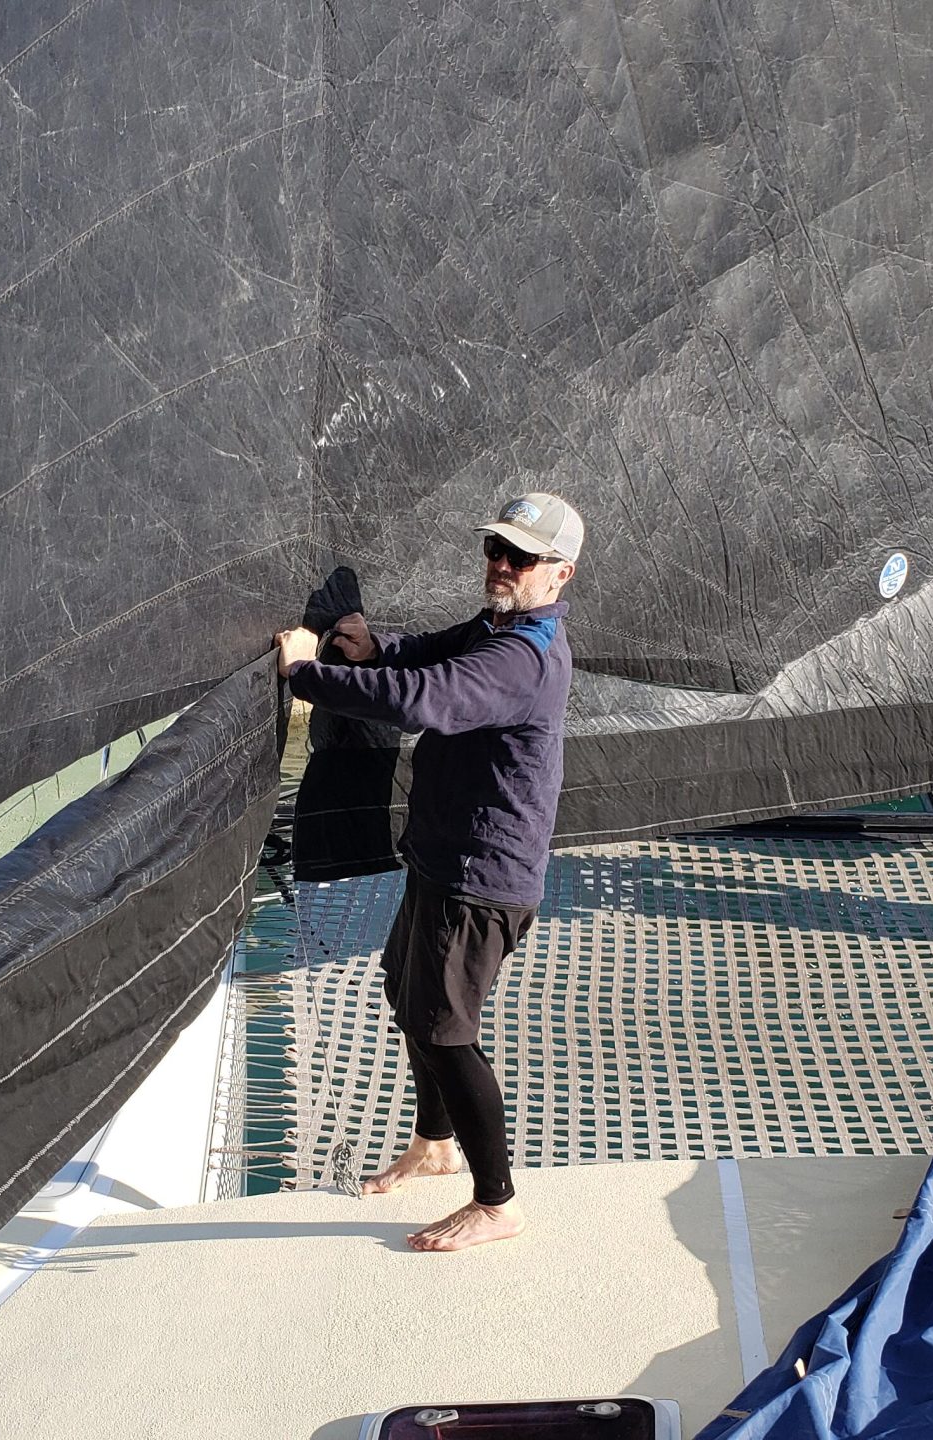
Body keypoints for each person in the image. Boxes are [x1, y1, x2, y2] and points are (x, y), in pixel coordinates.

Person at [271, 492, 582, 1251]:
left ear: (559, 573)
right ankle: (437, 1144)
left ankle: (497, 1202)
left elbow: (424, 699)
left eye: (521, 557)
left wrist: (307, 674)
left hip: (483, 878)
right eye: (494, 548)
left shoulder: (524, 655)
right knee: (408, 998)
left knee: (445, 1033)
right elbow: (428, 655)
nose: (501, 564)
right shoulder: (495, 627)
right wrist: (374, 647)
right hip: (444, 857)